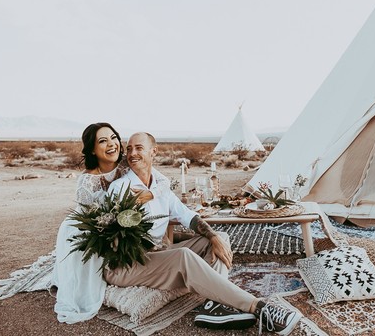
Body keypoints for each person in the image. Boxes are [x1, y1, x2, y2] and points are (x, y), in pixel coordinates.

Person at [104, 132, 302, 335]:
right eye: (129, 149)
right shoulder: (120, 188)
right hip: (128, 263)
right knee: (183, 256)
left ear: (154, 151)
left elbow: (188, 216)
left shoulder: (160, 187)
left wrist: (213, 236)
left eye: (138, 148)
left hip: (157, 253)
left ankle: (213, 305)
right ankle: (258, 307)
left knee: (220, 239)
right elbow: (111, 236)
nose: (132, 153)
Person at [52, 122, 156, 323]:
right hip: (88, 229)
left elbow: (159, 180)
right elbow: (90, 220)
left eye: (114, 138)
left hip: (119, 220)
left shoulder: (127, 163)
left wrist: (150, 194)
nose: (111, 144)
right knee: (88, 274)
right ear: (92, 149)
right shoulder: (87, 183)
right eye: (102, 141)